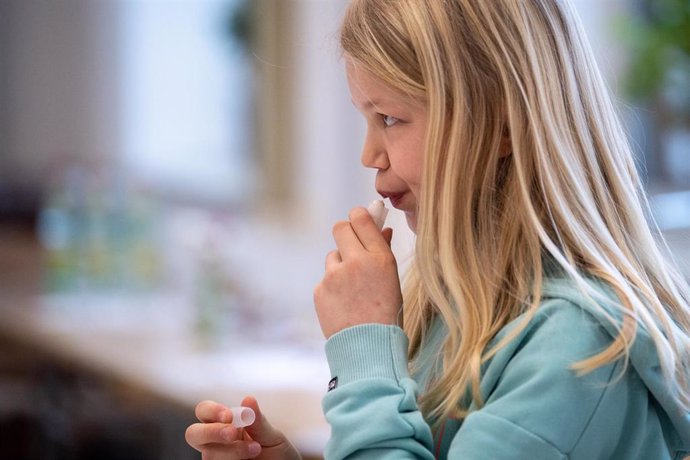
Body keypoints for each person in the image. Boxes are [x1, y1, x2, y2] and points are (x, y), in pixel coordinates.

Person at [185, 0, 690, 458]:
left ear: (501, 124)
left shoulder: (575, 347)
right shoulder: (453, 305)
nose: (369, 156)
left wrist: (364, 348)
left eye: (389, 118)